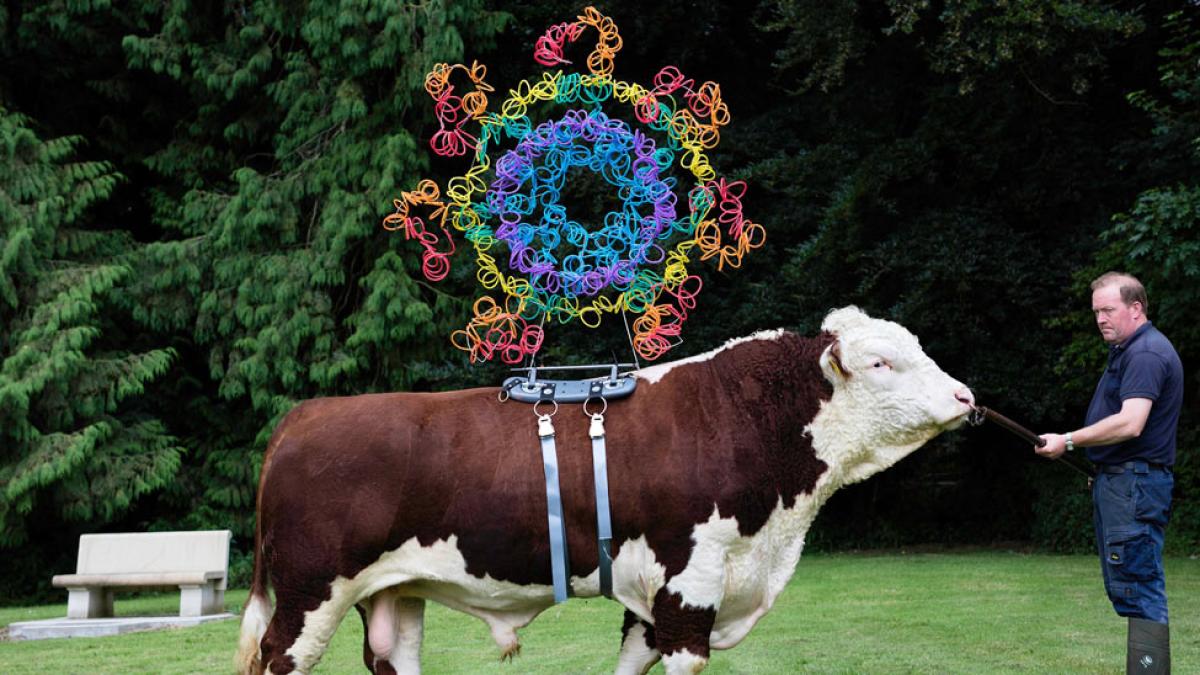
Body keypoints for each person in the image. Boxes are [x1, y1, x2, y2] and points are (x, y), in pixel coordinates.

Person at [1037, 271, 1182, 674]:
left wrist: (1067, 440)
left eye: (1108, 310)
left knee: (1139, 582)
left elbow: (1131, 422)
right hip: (1123, 481)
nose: (1100, 318)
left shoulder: (1146, 353)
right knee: (1131, 583)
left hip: (1134, 484)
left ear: (1135, 309)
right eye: (1096, 311)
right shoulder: (1129, 350)